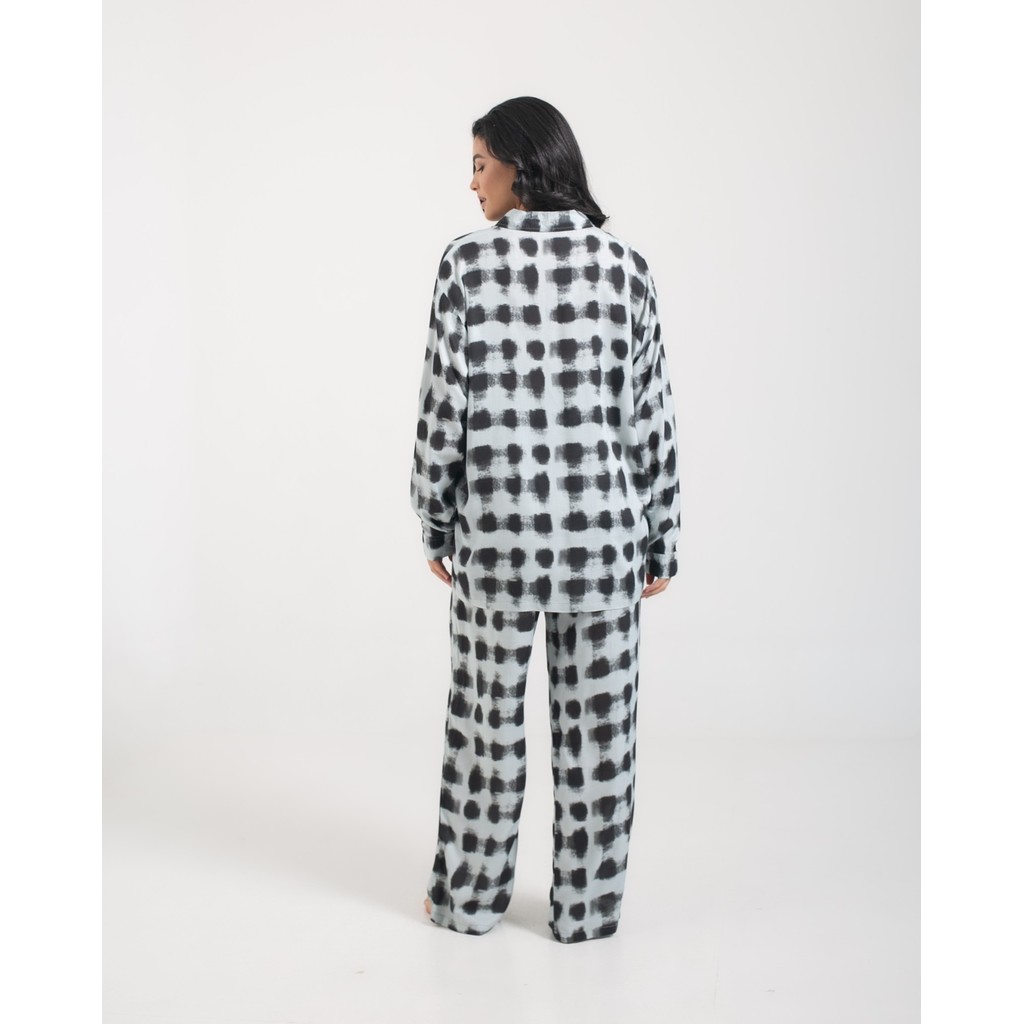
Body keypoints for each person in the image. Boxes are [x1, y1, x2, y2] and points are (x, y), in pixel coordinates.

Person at [409, 96, 681, 943]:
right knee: (601, 739)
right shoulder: (626, 268)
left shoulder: (467, 265)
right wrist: (662, 533)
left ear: (521, 167)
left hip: (499, 540)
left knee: (485, 727)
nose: (472, 183)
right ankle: (587, 913)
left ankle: (468, 901)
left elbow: (442, 407)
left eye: (480, 164)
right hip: (603, 543)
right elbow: (649, 416)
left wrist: (435, 516)